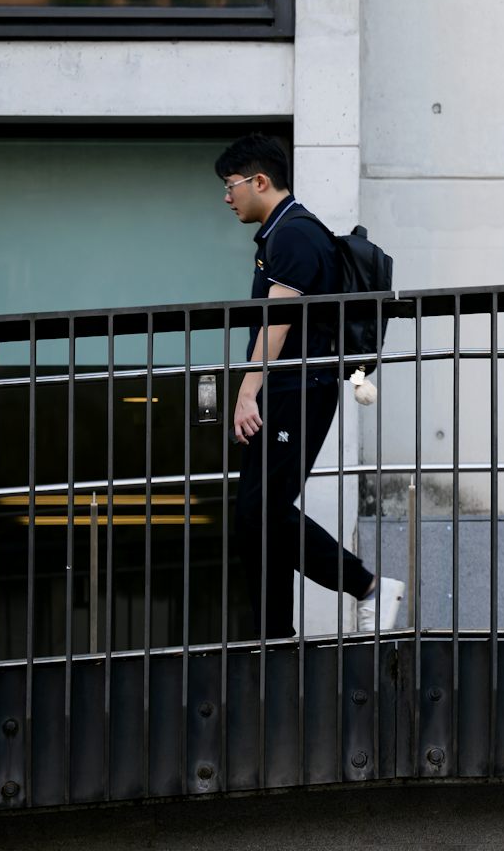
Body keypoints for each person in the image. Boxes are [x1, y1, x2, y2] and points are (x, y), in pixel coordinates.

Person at [217, 134, 394, 638]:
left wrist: (247, 391)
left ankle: (368, 586)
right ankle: (271, 634)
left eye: (230, 187)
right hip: (288, 386)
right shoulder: (284, 233)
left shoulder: (293, 234)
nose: (227, 198)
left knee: (262, 510)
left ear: (259, 181)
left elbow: (278, 320)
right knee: (256, 515)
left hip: (297, 387)